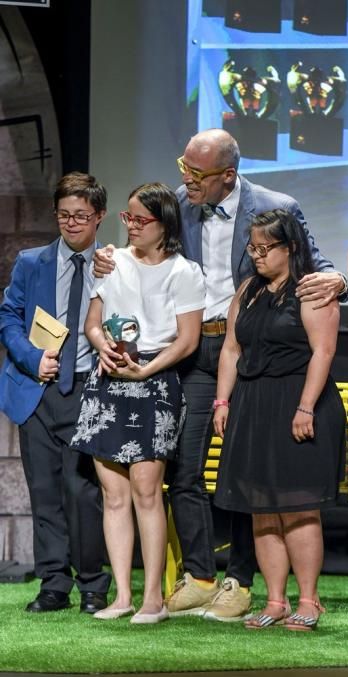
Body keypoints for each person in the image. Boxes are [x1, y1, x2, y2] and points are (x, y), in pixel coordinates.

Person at [94, 128, 348, 621]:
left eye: (196, 172)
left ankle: (241, 578)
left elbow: (315, 266)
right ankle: (200, 574)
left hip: (252, 348)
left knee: (248, 471)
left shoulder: (275, 205)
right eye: (182, 166)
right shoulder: (176, 203)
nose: (184, 179)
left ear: (227, 174)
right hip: (193, 349)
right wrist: (106, 256)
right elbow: (138, 244)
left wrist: (338, 280)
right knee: (186, 468)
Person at [71, 183, 205, 623]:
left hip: (154, 380)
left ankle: (153, 599)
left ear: (163, 224)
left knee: (147, 492)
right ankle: (122, 595)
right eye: (126, 218)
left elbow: (187, 340)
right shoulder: (110, 262)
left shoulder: (184, 271)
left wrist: (147, 370)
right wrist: (101, 346)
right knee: (114, 495)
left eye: (139, 220)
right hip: (109, 376)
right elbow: (92, 323)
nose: (130, 226)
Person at [213, 210, 347, 631]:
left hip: (297, 402)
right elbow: (232, 349)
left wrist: (305, 408)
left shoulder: (311, 290)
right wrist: (222, 401)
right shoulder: (249, 290)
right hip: (252, 404)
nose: (256, 255)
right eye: (252, 247)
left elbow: (322, 353)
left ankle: (309, 599)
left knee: (300, 509)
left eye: (264, 248)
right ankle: (275, 601)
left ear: (289, 247)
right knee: (261, 510)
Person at [0, 172, 111, 613]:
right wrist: (31, 357)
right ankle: (53, 584)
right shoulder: (32, 262)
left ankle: (93, 584)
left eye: (81, 216)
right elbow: (8, 316)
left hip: (89, 388)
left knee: (82, 491)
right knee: (43, 490)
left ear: (99, 216)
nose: (71, 224)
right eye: (64, 215)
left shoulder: (114, 265)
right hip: (38, 389)